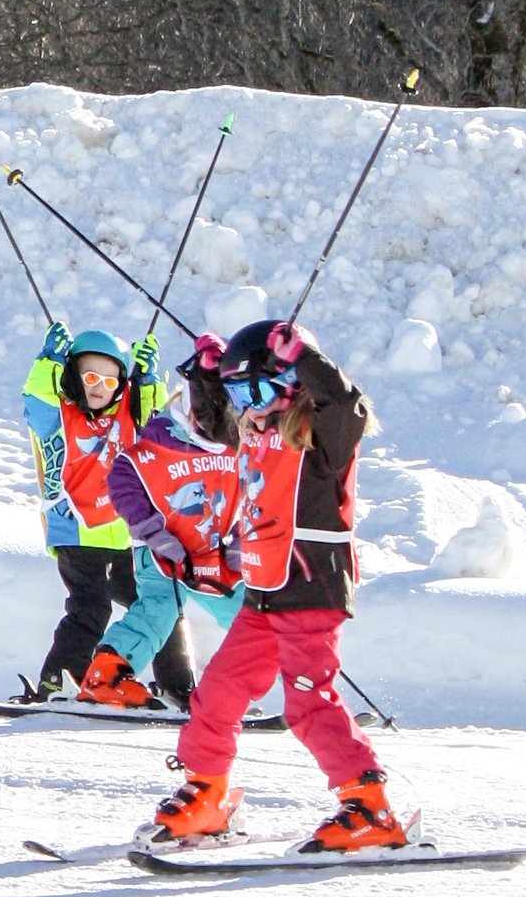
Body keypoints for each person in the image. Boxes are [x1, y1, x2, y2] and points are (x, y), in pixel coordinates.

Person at [146, 320, 406, 852]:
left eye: (260, 390)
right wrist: (207, 376)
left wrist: (307, 357)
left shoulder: (321, 437)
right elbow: (210, 422)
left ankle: (370, 806)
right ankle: (206, 793)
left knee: (308, 703)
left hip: (311, 591)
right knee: (216, 694)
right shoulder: (253, 434)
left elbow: (347, 406)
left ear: (294, 386)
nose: (251, 405)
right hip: (265, 594)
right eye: (241, 393)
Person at [20, 323, 195, 703]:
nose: (99, 387)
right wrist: (48, 362)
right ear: (72, 377)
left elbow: (155, 421)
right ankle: (60, 679)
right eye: (90, 377)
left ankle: (177, 685)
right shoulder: (58, 418)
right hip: (77, 531)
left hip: (125, 534)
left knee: (159, 606)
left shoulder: (129, 417)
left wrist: (147, 380)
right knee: (90, 608)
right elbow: (36, 398)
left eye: (111, 381)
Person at [83, 341, 244, 707]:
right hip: (163, 555)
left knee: (250, 615)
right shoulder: (159, 441)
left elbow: (254, 497)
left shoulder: (238, 447)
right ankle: (106, 678)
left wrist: (239, 543)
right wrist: (153, 533)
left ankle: (233, 688)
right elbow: (123, 483)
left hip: (213, 555)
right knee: (158, 611)